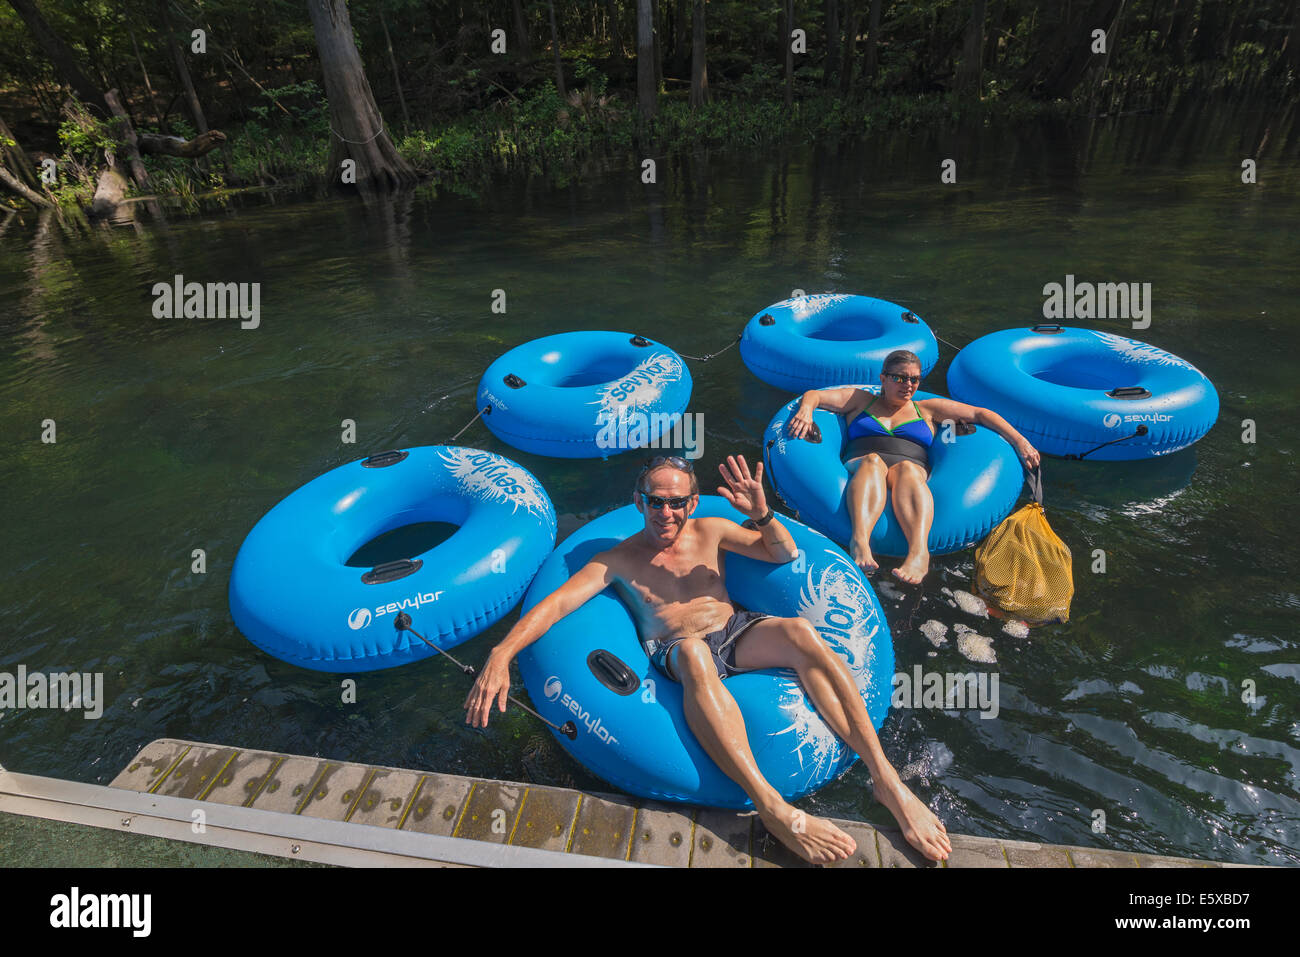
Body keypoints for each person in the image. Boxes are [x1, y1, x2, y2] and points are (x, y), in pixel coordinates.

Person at [465, 453, 951, 865]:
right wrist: (500, 653)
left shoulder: (713, 529)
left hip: (734, 631)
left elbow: (782, 556)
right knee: (696, 655)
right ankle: (773, 809)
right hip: (675, 650)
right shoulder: (617, 560)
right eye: (656, 501)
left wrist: (762, 513)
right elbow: (554, 606)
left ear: (691, 503)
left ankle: (887, 782)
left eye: (677, 502)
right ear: (640, 502)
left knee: (802, 633)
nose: (667, 513)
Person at [787, 350, 1040, 585]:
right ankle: (860, 541)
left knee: (907, 468)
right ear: (883, 378)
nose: (908, 385)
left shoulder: (926, 409)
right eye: (900, 378)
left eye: (914, 380)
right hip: (863, 463)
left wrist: (1021, 442)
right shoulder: (860, 399)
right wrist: (806, 411)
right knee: (873, 462)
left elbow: (981, 414)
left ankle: (919, 553)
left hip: (910, 469)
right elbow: (814, 395)